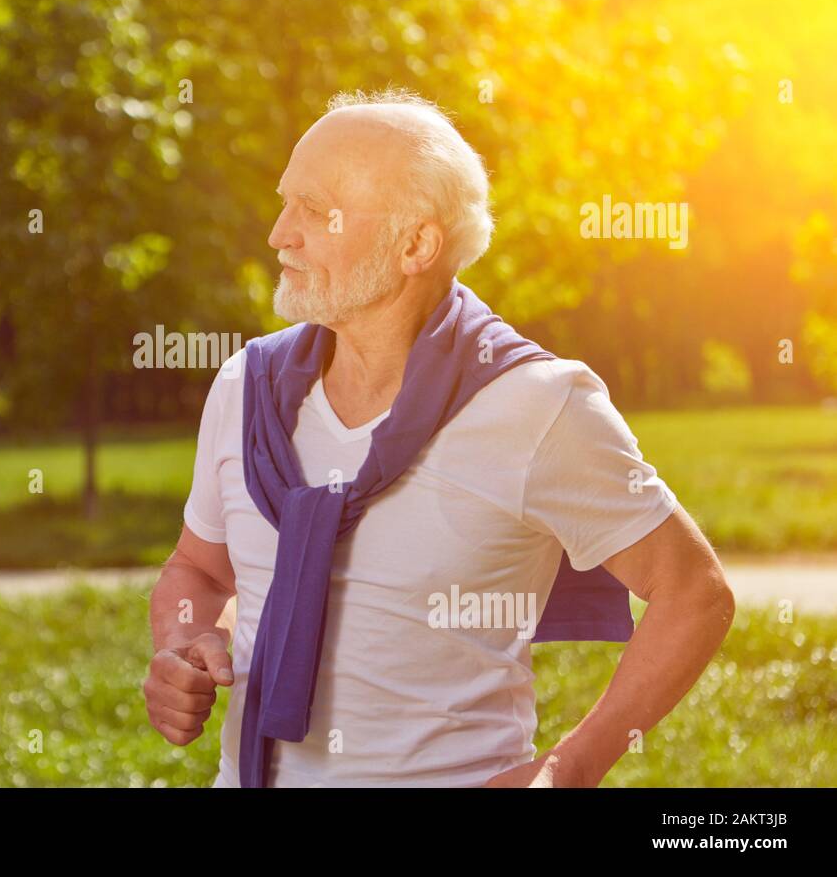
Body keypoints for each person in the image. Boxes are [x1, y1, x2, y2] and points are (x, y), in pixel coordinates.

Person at [143, 88, 735, 787]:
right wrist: (182, 643)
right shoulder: (248, 389)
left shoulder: (534, 404)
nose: (279, 233)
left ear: (415, 244)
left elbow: (693, 593)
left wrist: (568, 768)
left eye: (314, 209)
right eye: (284, 201)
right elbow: (201, 570)